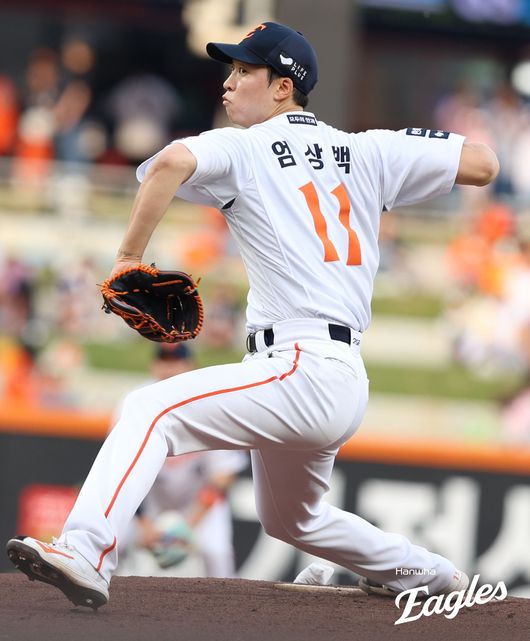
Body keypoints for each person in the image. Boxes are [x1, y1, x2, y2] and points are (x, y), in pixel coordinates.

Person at [6, 21, 499, 609]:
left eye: (244, 70)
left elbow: (168, 162)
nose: (228, 82)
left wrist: (128, 259)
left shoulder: (245, 146)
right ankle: (428, 573)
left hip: (298, 366)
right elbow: (484, 164)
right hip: (338, 375)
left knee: (148, 408)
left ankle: (85, 552)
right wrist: (396, 151)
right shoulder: (369, 149)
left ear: (284, 87)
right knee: (292, 518)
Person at [116, 343, 247, 578]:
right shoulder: (134, 404)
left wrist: (188, 526)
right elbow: (121, 473)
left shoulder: (210, 406)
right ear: (153, 366)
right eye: (164, 361)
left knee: (216, 552)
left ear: (192, 367)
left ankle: (229, 600)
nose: (169, 369)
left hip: (197, 501)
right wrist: (144, 524)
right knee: (112, 542)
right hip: (148, 499)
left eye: (176, 362)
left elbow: (222, 476)